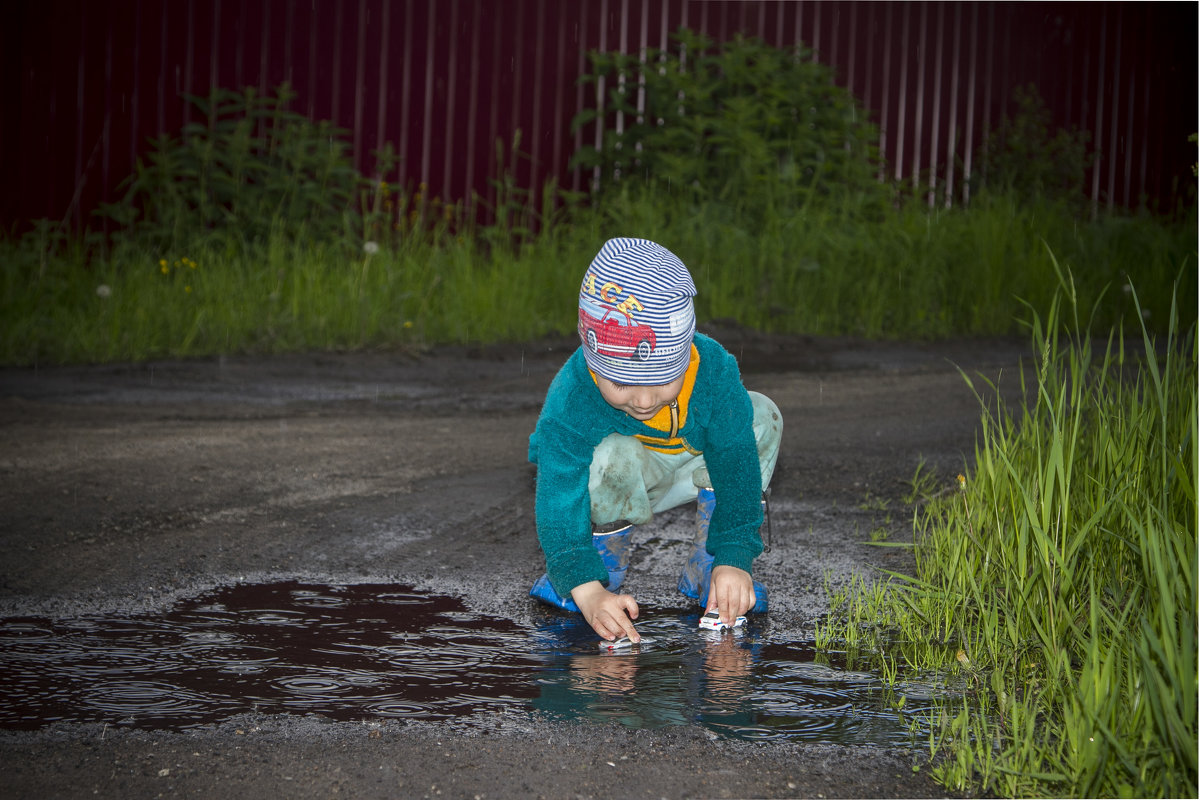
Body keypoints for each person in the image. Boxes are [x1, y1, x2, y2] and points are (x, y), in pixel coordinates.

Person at [528, 237, 783, 643]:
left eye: (663, 379)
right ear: (594, 363)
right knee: (608, 454)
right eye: (622, 383)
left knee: (762, 416)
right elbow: (557, 490)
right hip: (627, 478)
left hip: (694, 468)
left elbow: (736, 464)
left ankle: (709, 568)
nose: (644, 401)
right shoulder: (575, 391)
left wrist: (735, 558)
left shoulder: (713, 372)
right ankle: (600, 573)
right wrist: (583, 586)